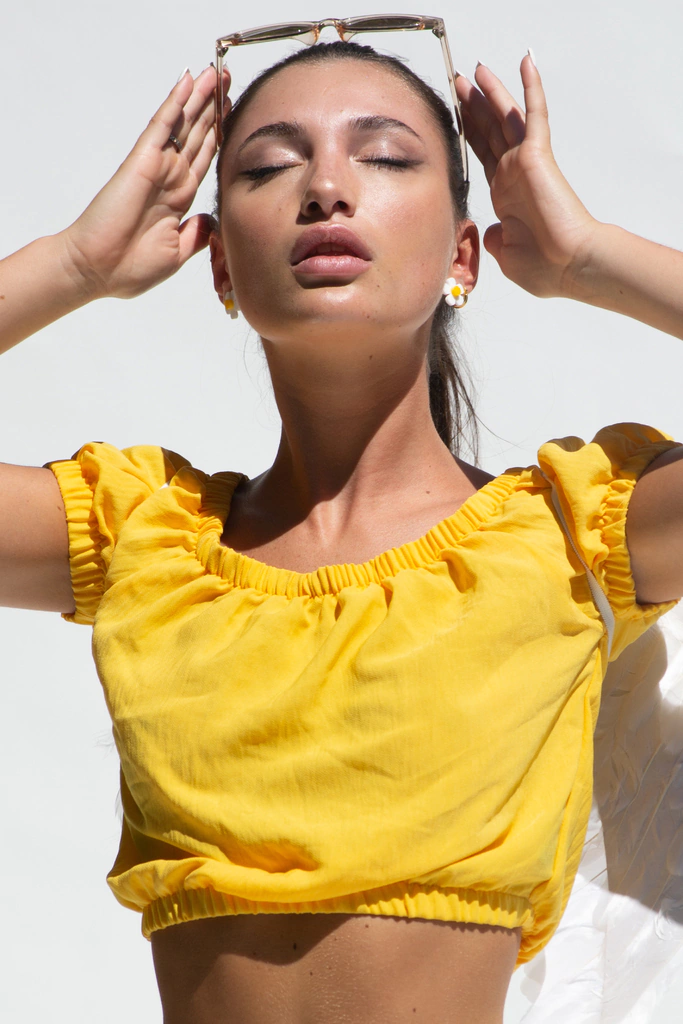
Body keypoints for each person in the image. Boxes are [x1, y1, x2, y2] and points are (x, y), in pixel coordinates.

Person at [2, 36, 683, 1024]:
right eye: (269, 167)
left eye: (385, 157)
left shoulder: (565, 532)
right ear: (220, 264)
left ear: (461, 255)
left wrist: (590, 256)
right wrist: (73, 263)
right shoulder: (142, 534)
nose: (325, 187)